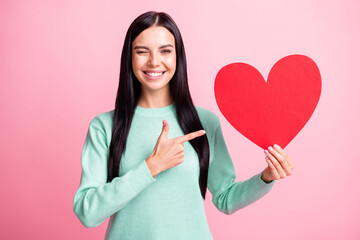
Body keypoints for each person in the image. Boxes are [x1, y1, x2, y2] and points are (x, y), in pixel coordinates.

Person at [73, 11, 294, 240]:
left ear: (178, 57)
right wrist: (150, 167)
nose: (154, 62)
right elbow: (87, 213)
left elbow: (226, 198)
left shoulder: (204, 123)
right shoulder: (104, 127)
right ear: (129, 58)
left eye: (165, 51)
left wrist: (267, 177)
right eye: (142, 52)